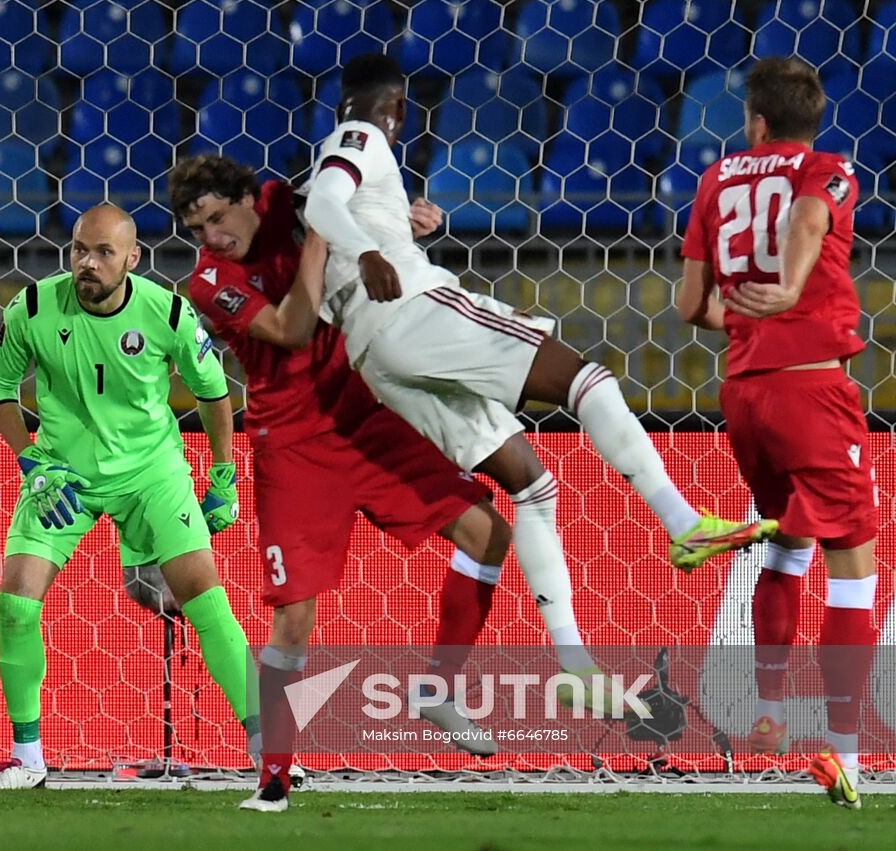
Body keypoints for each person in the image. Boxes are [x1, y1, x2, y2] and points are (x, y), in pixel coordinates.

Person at [300, 52, 775, 578]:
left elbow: (324, 238)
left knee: (533, 488)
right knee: (588, 381)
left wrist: (394, 231)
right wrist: (371, 251)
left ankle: (574, 658)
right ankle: (682, 522)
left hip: (373, 356)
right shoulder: (360, 136)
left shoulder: (332, 156)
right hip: (413, 312)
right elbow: (323, 203)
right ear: (400, 106)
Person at [171, 155, 512, 812]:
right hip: (293, 444)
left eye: (218, 217)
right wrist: (328, 233)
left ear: (248, 196)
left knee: (487, 532)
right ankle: (273, 776)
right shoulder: (210, 282)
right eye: (198, 228)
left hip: (365, 415)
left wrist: (398, 227)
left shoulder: (284, 199)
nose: (212, 236)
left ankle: (438, 690)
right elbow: (292, 327)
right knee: (296, 617)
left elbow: (357, 198)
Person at [0, 204, 254, 788]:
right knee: (15, 603)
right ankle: (27, 760)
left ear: (133, 258)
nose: (87, 263)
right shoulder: (31, 308)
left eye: (104, 252)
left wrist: (223, 475)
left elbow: (212, 392)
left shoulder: (168, 313)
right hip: (62, 477)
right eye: (80, 249)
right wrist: (31, 461)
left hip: (151, 474)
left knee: (204, 597)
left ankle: (273, 749)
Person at [676, 56, 877, 810]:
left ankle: (767, 708)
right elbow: (808, 214)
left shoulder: (713, 180)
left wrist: (752, 317)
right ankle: (849, 753)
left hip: (744, 395)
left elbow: (690, 304)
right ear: (811, 117)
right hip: (811, 391)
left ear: (755, 121)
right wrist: (790, 291)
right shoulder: (829, 169)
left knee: (788, 545)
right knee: (855, 564)